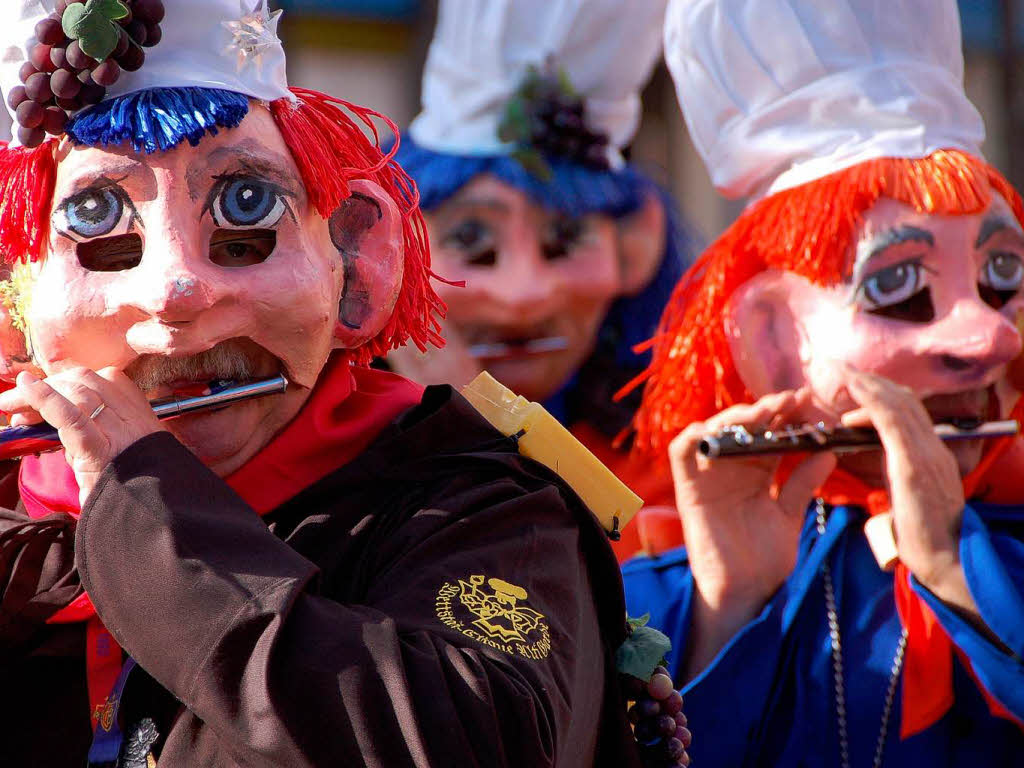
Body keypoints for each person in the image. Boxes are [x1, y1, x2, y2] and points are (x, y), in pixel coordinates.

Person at [0, 1, 650, 765]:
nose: (176, 293)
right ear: (15, 301)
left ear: (356, 263)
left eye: (248, 217)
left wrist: (147, 508)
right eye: (101, 233)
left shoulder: (478, 505)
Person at [622, 0, 1024, 765]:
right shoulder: (650, 605)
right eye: (901, 288)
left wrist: (954, 565)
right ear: (773, 339)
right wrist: (729, 604)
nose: (990, 336)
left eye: (1002, 276)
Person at [387, 0, 695, 560]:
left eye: (565, 242)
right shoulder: (327, 437)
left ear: (635, 246)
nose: (524, 292)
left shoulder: (679, 453)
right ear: (392, 246)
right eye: (473, 246)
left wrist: (480, 432)